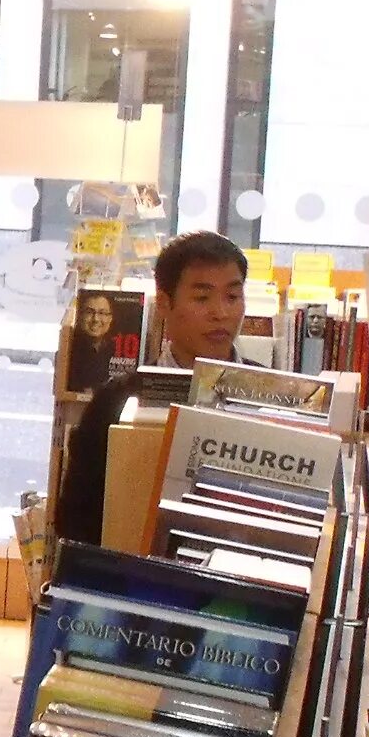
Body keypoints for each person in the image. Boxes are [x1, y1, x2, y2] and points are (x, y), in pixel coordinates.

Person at [53, 230, 248, 545]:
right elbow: (75, 524)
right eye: (202, 297)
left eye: (232, 296)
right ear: (165, 304)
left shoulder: (271, 395)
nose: (221, 313)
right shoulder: (115, 401)